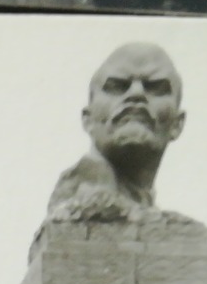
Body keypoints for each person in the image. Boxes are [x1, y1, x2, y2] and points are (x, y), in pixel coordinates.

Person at [49, 42, 186, 216]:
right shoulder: (77, 202)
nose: (136, 93)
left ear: (178, 124)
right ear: (87, 119)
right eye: (116, 86)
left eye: (156, 88)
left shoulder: (146, 209)